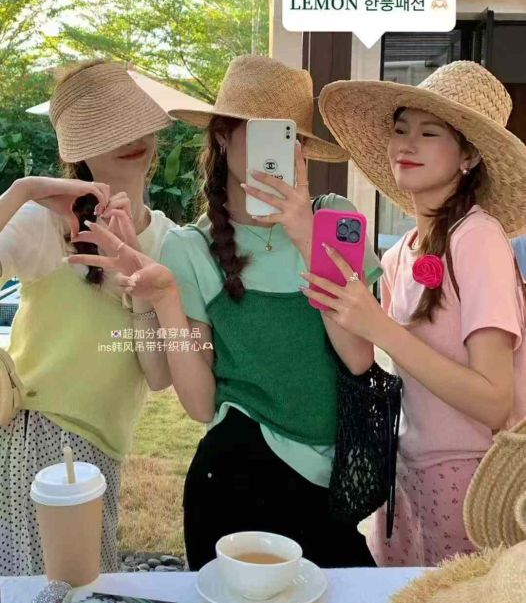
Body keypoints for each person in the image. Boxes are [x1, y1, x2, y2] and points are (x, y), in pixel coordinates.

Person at [67, 55, 383, 570]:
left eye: (289, 137)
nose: (276, 152)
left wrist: (306, 236)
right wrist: (166, 299)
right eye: (260, 134)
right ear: (222, 136)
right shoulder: (190, 247)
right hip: (235, 477)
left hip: (330, 481)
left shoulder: (336, 220)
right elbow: (198, 404)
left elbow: (358, 357)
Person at [309, 60, 526, 566]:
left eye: (429, 133)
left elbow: (495, 402)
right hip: (406, 473)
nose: (406, 144)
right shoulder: (400, 253)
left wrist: (380, 326)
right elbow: (365, 360)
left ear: (469, 155)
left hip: (473, 479)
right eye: (401, 129)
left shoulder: (477, 238)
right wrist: (331, 293)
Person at [0, 59, 176, 575]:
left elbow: (160, 376)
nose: (132, 138)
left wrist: (138, 288)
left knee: (84, 593)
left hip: (103, 448)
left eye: (136, 122)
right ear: (76, 150)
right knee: (46, 594)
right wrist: (21, 192)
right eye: (108, 129)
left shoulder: (171, 241)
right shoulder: (40, 223)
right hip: (30, 434)